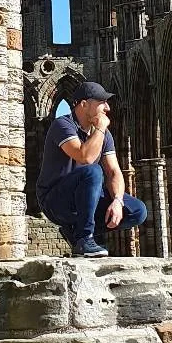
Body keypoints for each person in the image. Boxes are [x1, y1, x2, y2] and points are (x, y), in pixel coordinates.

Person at [36, 81, 148, 256]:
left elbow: (113, 172)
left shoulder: (103, 134)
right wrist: (101, 128)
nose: (107, 107)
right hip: (55, 201)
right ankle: (84, 239)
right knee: (93, 171)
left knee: (137, 211)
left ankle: (76, 232)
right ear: (84, 104)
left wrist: (117, 201)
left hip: (85, 198)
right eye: (102, 102)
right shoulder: (63, 125)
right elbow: (85, 157)